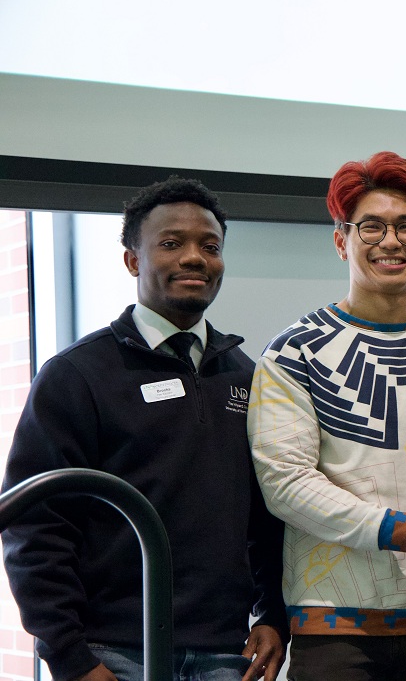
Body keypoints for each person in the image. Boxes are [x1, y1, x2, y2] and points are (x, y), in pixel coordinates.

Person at [1, 177, 288, 681]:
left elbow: (269, 516)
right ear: (133, 260)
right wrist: (70, 655)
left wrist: (274, 616)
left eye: (210, 246)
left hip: (225, 653)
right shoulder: (77, 375)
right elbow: (35, 527)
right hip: (110, 654)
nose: (195, 258)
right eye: (171, 244)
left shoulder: (247, 376)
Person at [247, 151, 406, 680]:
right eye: (371, 227)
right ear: (341, 240)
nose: (391, 241)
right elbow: (286, 486)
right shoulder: (294, 354)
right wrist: (403, 529)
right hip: (333, 631)